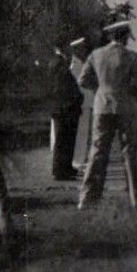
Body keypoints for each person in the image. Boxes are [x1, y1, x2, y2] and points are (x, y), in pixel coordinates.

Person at [77, 20, 137, 208]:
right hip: (125, 108)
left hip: (102, 107)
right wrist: (128, 91)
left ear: (110, 36)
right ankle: (136, 200)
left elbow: (82, 80)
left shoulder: (96, 55)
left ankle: (87, 199)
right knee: (129, 153)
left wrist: (100, 89)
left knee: (97, 152)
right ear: (125, 37)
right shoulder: (131, 57)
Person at [48, 38, 86, 180]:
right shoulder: (59, 63)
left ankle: (66, 167)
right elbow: (64, 86)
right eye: (66, 46)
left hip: (64, 107)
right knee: (62, 140)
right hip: (65, 107)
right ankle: (59, 170)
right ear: (61, 47)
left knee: (67, 139)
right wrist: (77, 97)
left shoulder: (57, 62)